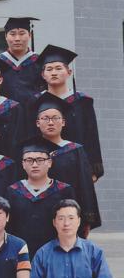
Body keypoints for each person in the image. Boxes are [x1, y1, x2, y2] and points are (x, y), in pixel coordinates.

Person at [32, 93, 101, 234]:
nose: (50, 123)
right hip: (38, 216)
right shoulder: (30, 152)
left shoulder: (75, 150)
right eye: (45, 118)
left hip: (69, 216)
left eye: (55, 118)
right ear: (37, 123)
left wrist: (87, 218)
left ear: (63, 122)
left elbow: (85, 187)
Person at [32, 44, 103, 179]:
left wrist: (94, 169)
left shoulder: (82, 101)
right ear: (43, 75)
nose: (54, 73)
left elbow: (91, 135)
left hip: (77, 166)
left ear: (69, 72)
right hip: (43, 169)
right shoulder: (34, 102)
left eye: (59, 68)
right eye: (49, 69)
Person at [6, 139, 76, 260]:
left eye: (40, 160)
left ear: (49, 162)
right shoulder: (13, 191)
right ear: (23, 164)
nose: (34, 165)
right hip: (21, 255)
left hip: (55, 254)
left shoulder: (64, 191)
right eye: (29, 160)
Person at [0, 17, 44, 105]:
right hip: (5, 111)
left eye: (22, 33)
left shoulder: (40, 61)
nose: (17, 38)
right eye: (12, 34)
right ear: (6, 36)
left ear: (30, 35)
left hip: (34, 110)